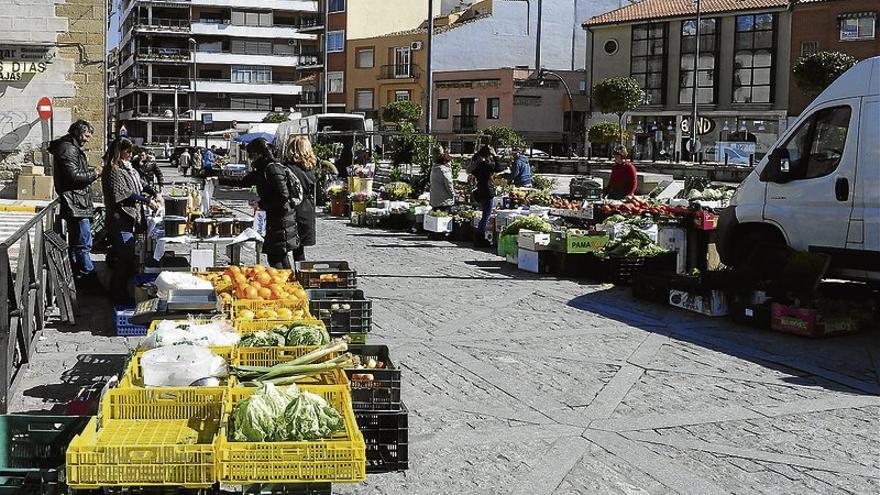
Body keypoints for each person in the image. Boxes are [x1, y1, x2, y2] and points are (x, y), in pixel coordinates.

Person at [222, 138, 302, 268]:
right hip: (275, 218)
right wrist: (219, 180)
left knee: (276, 256)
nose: (251, 159)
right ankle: (287, 283)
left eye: (251, 155)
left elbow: (283, 196)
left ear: (258, 154)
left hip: (282, 219)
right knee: (278, 255)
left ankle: (285, 285)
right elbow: (244, 181)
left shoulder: (272, 169)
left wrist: (261, 204)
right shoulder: (262, 169)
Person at [101, 137, 158, 304]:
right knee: (125, 257)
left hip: (130, 219)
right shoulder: (113, 170)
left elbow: (140, 185)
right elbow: (125, 193)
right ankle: (116, 294)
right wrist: (147, 201)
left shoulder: (128, 169)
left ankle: (124, 292)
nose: (130, 155)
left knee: (129, 257)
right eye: (127, 151)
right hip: (120, 219)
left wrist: (154, 193)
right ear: (119, 151)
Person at [49, 120, 102, 288]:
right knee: (83, 244)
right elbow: (73, 177)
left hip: (77, 202)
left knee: (78, 243)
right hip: (75, 203)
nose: (87, 139)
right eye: (86, 136)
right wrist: (95, 173)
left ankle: (78, 276)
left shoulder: (70, 148)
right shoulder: (68, 149)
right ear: (79, 132)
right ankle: (88, 276)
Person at [285, 135, 318, 261]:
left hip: (293, 209)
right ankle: (301, 275)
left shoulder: (288, 168)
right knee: (299, 250)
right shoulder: (311, 169)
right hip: (307, 209)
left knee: (285, 247)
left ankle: (289, 277)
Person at [469, 144, 499, 247]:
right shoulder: (485, 165)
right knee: (486, 215)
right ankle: (480, 237)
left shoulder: (476, 165)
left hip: (480, 191)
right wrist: (495, 155)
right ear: (488, 155)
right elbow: (498, 168)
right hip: (487, 191)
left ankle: (478, 237)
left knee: (484, 214)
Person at [430, 145, 455, 210]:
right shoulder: (444, 169)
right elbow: (449, 184)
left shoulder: (434, 168)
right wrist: (453, 194)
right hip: (445, 202)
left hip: (435, 201)